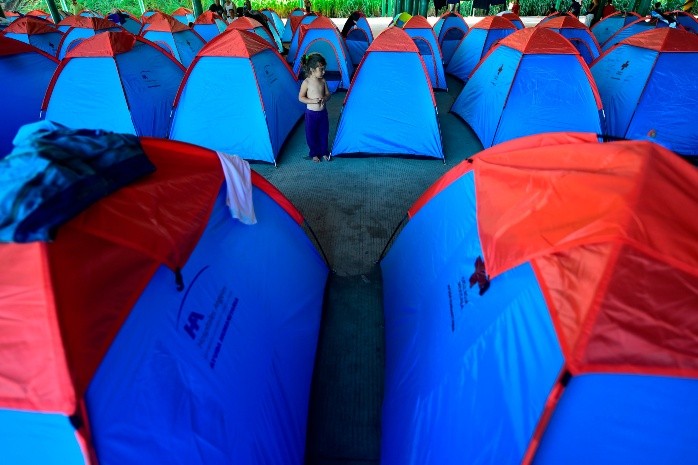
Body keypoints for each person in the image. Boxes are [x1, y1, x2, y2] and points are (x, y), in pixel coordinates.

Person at [298, 53, 331, 163]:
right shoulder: (306, 82)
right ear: (312, 69)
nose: (324, 72)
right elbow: (301, 97)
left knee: (323, 132)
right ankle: (314, 153)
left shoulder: (323, 81)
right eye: (321, 69)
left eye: (324, 69)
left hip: (323, 113)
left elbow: (328, 94)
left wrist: (325, 98)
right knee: (311, 134)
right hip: (311, 114)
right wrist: (312, 101)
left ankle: (324, 151)